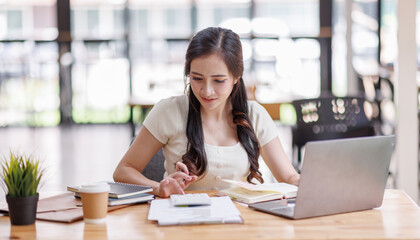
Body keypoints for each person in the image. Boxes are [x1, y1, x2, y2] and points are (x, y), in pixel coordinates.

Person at [113, 27, 300, 197]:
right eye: (197, 78)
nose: (206, 91)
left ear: (236, 77)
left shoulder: (255, 116)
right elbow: (123, 171)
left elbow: (289, 176)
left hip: (240, 223)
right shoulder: (168, 111)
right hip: (181, 220)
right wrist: (159, 188)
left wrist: (311, 182)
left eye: (219, 80)